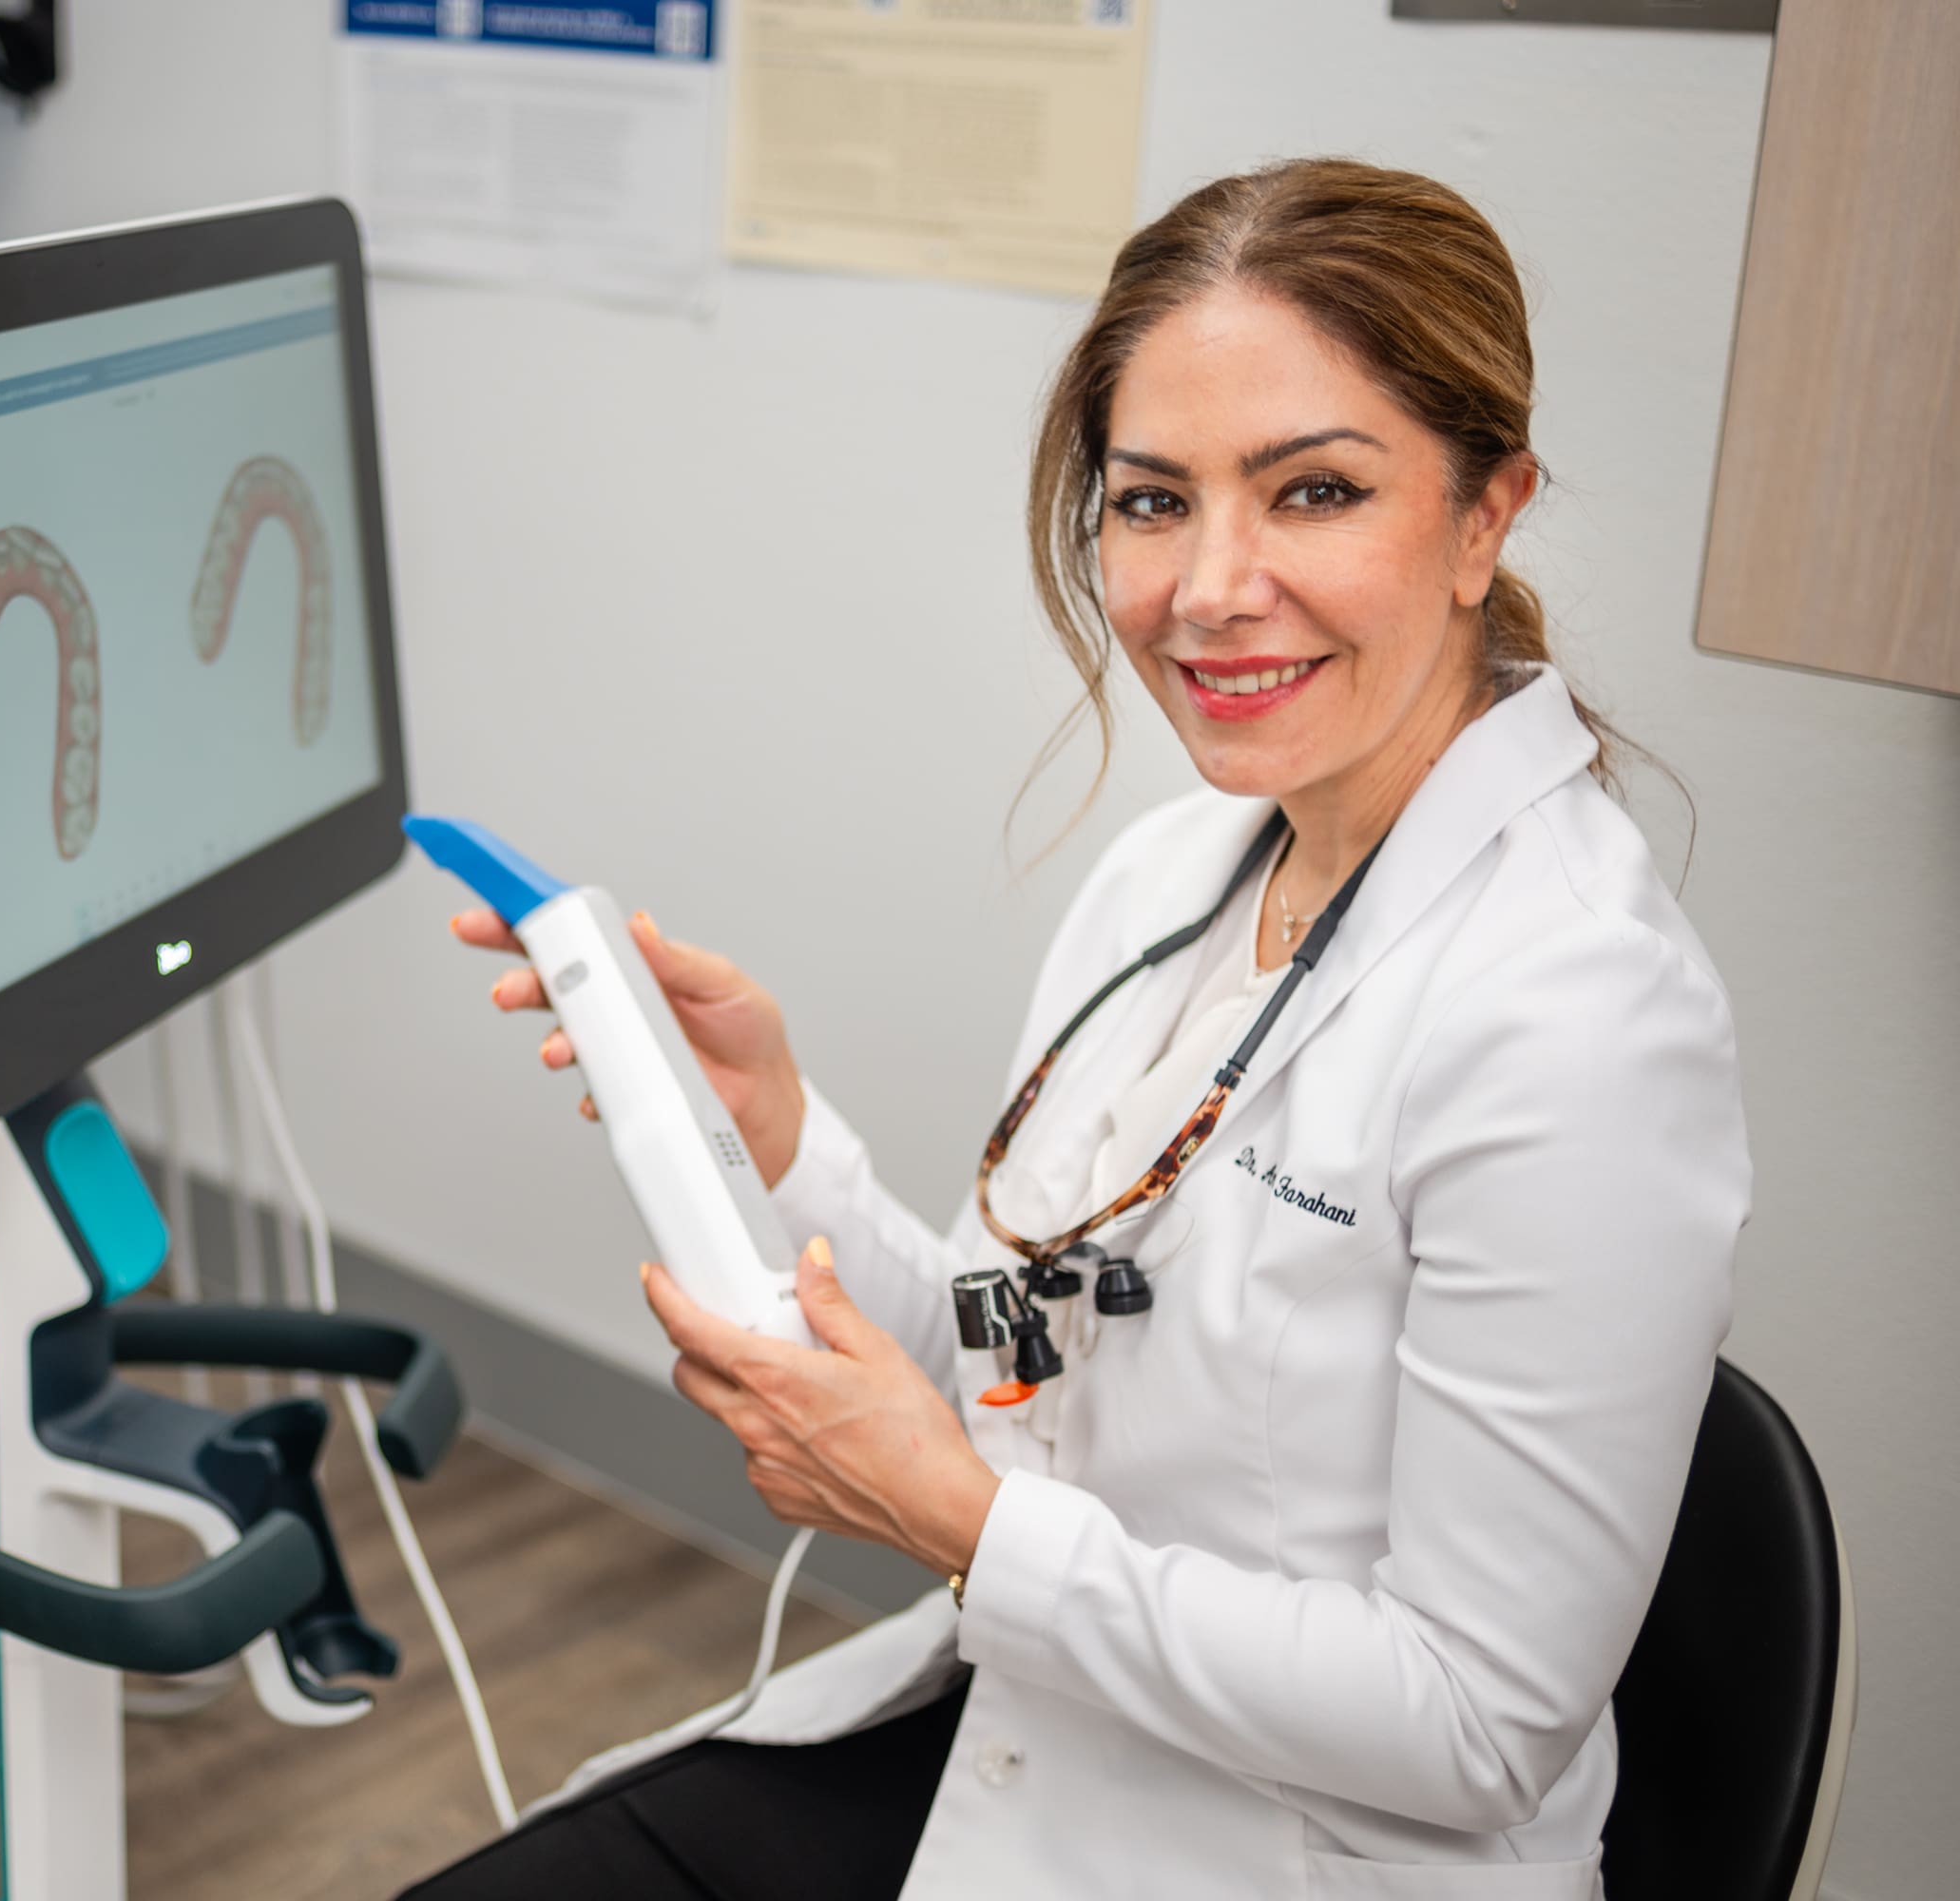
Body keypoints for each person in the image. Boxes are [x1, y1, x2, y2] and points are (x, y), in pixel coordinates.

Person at [408, 158, 1748, 1901]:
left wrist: (958, 1530)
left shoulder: (1578, 1018)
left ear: (1485, 514)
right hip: (1037, 1741)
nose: (1208, 588)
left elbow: (1477, 1727)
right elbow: (1011, 1362)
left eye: (1314, 492)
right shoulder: (1170, 877)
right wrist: (778, 1138)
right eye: (1149, 502)